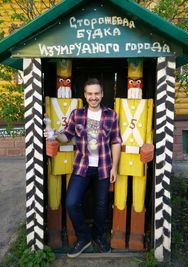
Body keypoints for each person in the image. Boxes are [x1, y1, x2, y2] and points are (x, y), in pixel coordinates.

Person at [45, 78, 122, 258]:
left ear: (102, 94)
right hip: (82, 166)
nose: (93, 97)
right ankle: (84, 236)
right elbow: (67, 136)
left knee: (102, 206)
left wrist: (114, 168)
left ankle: (98, 235)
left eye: (96, 93)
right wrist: (54, 135)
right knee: (71, 202)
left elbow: (116, 142)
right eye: (89, 93)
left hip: (103, 167)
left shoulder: (111, 115)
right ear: (85, 95)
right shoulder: (77, 114)